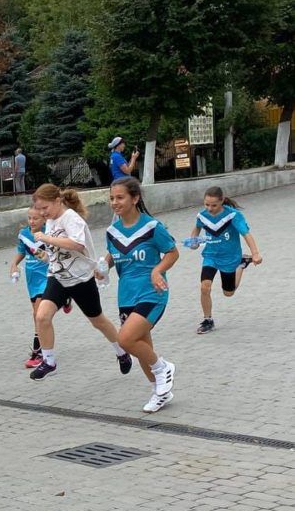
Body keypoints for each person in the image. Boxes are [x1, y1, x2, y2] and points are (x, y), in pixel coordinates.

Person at [29, 183, 130, 380]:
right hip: (58, 277)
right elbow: (56, 250)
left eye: (45, 208)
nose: (42, 213)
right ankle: (49, 361)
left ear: (57, 201)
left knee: (97, 321)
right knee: (42, 316)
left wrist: (48, 239)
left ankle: (122, 352)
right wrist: (46, 254)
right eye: (39, 209)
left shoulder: (71, 219)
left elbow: (77, 244)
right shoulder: (51, 219)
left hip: (81, 279)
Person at [102, 177, 179, 413]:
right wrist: (103, 266)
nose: (115, 202)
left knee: (125, 340)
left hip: (152, 293)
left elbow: (172, 253)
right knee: (141, 345)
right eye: (112, 198)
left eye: (120, 197)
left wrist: (158, 270)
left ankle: (163, 367)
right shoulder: (112, 232)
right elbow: (114, 256)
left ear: (135, 198)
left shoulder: (152, 227)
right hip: (126, 296)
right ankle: (160, 392)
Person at [187, 186, 263, 334]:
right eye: (206, 204)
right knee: (205, 287)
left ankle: (241, 263)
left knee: (228, 293)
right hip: (211, 256)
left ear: (222, 201)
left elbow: (246, 234)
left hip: (230, 257)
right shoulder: (202, 216)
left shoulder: (233, 216)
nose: (209, 208)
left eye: (214, 205)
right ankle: (207, 320)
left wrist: (255, 253)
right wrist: (193, 241)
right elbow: (196, 229)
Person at [10, 208, 49, 369]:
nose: (32, 221)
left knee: (38, 314)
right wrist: (13, 265)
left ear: (44, 219)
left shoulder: (50, 233)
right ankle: (65, 299)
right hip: (32, 278)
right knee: (37, 313)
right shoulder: (24, 234)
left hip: (48, 276)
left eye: (36, 219)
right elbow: (21, 252)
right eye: (29, 218)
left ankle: (39, 351)